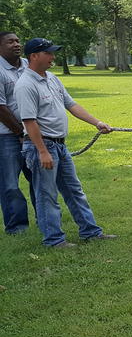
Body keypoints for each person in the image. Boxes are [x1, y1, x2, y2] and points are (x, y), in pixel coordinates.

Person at [14, 38, 116, 248]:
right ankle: (53, 239)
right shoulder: (26, 85)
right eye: (49, 53)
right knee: (47, 195)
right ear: (34, 56)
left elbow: (71, 104)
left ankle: (90, 231)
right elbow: (29, 121)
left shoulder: (51, 78)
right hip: (42, 146)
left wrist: (97, 122)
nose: (53, 57)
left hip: (60, 145)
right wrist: (42, 151)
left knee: (74, 190)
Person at [0, 31, 34, 234]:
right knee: (10, 184)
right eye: (10, 41)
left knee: (38, 179)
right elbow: (1, 108)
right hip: (6, 136)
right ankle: (17, 227)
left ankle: (45, 219)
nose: (16, 44)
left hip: (33, 133)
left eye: (18, 40)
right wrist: (21, 133)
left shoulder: (27, 66)